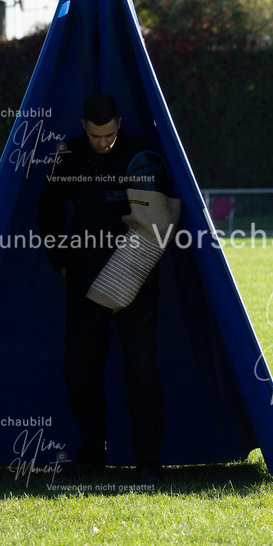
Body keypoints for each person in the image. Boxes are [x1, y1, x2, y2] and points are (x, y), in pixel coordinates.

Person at [36, 93, 166, 486]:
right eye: (96, 136)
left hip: (136, 274)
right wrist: (59, 261)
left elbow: (161, 214)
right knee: (80, 373)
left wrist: (141, 262)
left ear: (120, 124)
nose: (104, 143)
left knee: (142, 373)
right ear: (83, 127)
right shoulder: (68, 157)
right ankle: (92, 457)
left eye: (109, 135)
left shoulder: (141, 154)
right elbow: (47, 209)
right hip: (85, 277)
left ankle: (148, 463)